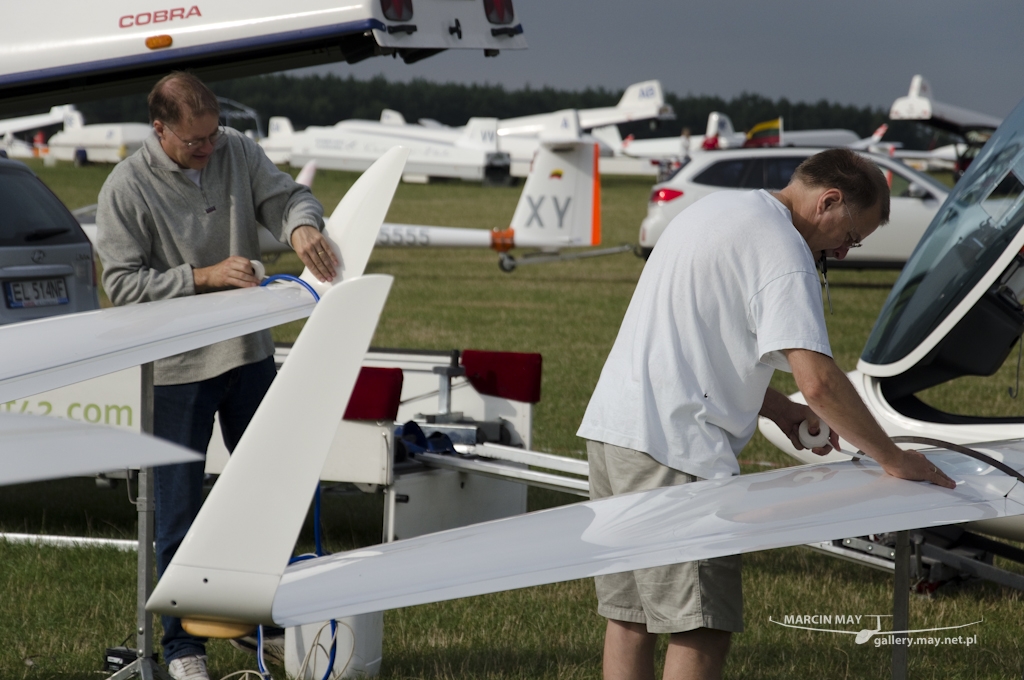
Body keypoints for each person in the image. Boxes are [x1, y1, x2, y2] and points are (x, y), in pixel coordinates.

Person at [577, 148, 955, 680]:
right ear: (829, 200)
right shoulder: (783, 250)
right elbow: (819, 383)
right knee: (700, 626)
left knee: (630, 618)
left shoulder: (718, 211)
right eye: (851, 235)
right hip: (674, 451)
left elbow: (696, 346)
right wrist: (894, 459)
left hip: (614, 434)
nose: (845, 252)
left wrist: (778, 410)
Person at [95, 71, 336, 680]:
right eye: (194, 141)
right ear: (160, 130)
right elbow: (121, 285)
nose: (209, 148)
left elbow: (285, 198)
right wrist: (201, 276)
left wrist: (302, 224)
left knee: (270, 494)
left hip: (249, 357)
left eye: (212, 135)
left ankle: (263, 626)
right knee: (177, 510)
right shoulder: (124, 187)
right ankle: (182, 648)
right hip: (176, 373)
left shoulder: (237, 148)